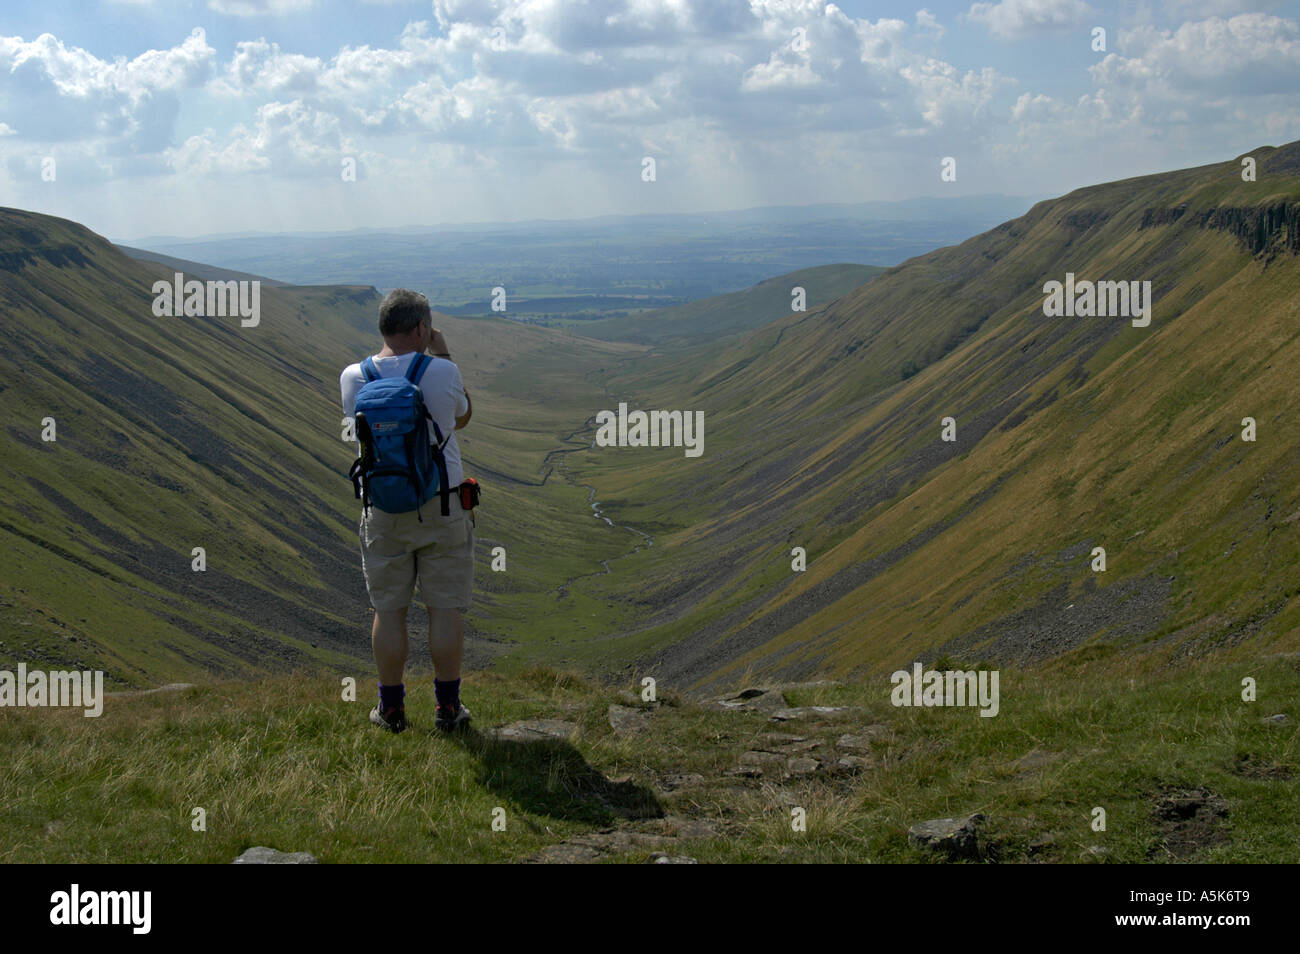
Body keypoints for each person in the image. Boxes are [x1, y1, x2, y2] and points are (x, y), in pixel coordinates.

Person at [339, 289, 474, 734]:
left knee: (389, 610)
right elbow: (463, 416)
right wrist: (442, 349)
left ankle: (391, 710)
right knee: (444, 608)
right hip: (442, 505)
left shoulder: (353, 377)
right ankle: (447, 709)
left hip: (383, 509)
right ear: (420, 328)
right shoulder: (442, 371)